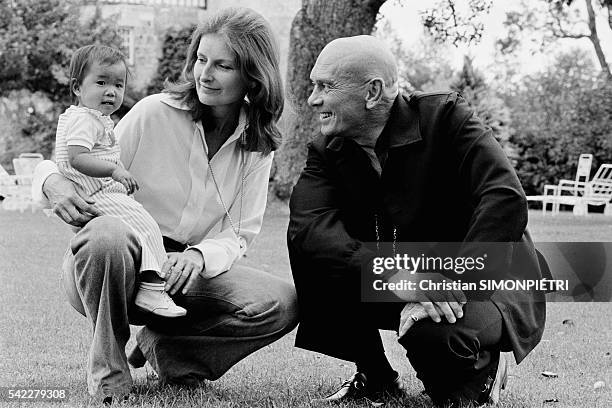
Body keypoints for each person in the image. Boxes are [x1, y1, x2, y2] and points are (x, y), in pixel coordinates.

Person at [33, 7, 297, 403]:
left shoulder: (256, 144)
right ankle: (109, 372)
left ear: (253, 76)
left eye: (222, 65)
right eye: (201, 60)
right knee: (108, 233)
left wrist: (198, 257)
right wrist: (49, 181)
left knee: (282, 303)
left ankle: (168, 352)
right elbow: (81, 162)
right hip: (115, 259)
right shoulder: (153, 112)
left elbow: (240, 231)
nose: (205, 74)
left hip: (182, 274)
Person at [287, 35, 550, 407]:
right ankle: (374, 375)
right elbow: (309, 229)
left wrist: (449, 283)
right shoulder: (327, 150)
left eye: (325, 86)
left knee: (432, 343)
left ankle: (484, 368)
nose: (313, 99)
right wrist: (402, 278)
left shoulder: (447, 118)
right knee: (312, 252)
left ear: (373, 92)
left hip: (488, 275)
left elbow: (504, 197)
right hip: (409, 271)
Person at [55, 44, 185, 318]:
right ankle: (152, 287)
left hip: (100, 192)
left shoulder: (94, 119)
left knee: (141, 227)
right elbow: (78, 158)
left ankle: (147, 284)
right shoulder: (85, 120)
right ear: (78, 87)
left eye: (118, 84)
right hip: (98, 194)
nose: (111, 91)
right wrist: (115, 172)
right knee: (146, 226)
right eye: (101, 82)